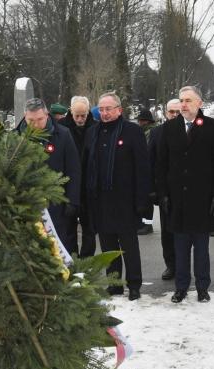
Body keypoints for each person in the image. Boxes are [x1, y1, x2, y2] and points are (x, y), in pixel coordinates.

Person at [156, 86, 214, 303]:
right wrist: (163, 194)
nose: (183, 105)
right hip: (177, 200)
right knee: (180, 246)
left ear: (200, 103)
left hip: (202, 199)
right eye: (181, 100)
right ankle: (181, 287)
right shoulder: (169, 128)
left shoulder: (213, 127)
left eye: (188, 100)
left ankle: (203, 287)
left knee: (202, 248)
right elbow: (161, 164)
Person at [83, 92, 151, 301]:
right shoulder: (92, 132)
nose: (104, 113)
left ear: (119, 110)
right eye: (101, 109)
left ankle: (134, 285)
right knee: (108, 246)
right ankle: (114, 284)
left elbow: (142, 167)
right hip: (100, 201)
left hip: (125, 201)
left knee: (129, 247)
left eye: (108, 109)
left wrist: (142, 200)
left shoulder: (132, 132)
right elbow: (87, 166)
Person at [16, 98, 81, 249]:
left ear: (46, 115)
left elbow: (73, 169)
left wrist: (72, 201)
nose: (36, 124)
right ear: (25, 117)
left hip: (56, 205)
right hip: (25, 205)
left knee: (57, 248)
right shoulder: (16, 137)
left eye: (40, 119)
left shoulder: (63, 135)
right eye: (31, 120)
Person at [60, 96, 98, 257]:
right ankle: (71, 258)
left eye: (83, 115)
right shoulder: (62, 128)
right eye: (77, 115)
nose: (80, 119)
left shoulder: (96, 128)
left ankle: (87, 259)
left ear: (88, 112)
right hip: (67, 185)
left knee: (89, 227)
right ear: (71, 111)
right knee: (68, 227)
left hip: (89, 185)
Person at [148, 99, 181, 280]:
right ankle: (171, 265)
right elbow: (150, 161)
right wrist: (153, 190)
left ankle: (184, 265)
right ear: (166, 113)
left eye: (177, 112)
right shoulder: (156, 133)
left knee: (187, 233)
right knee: (167, 232)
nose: (174, 115)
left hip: (187, 192)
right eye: (171, 112)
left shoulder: (191, 130)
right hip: (165, 191)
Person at [136, 109, 158, 235]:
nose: (139, 122)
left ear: (145, 121)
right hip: (148, 169)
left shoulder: (149, 132)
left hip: (149, 170)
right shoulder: (146, 131)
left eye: (141, 120)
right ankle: (144, 223)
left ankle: (147, 224)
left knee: (147, 199)